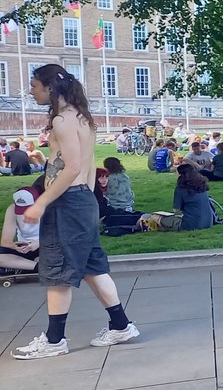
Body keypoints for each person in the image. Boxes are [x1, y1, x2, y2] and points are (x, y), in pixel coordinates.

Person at [12, 64, 138, 360]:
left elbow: (71, 168)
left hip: (67, 201)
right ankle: (121, 325)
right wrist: (89, 198)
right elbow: (88, 167)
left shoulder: (62, 121)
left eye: (34, 86)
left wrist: (41, 203)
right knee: (93, 265)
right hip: (81, 200)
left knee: (56, 268)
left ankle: (54, 340)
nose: (31, 91)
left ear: (50, 88)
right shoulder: (83, 119)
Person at [0, 183, 43, 274]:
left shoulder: (47, 208)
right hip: (24, 248)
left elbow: (59, 237)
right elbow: (5, 241)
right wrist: (15, 246)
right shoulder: (12, 210)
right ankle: (38, 267)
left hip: (45, 245)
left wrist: (39, 243)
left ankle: (22, 267)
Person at [170, 164, 213, 231]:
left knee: (158, 218)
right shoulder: (202, 185)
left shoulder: (180, 189)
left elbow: (176, 210)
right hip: (208, 222)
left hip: (191, 224)